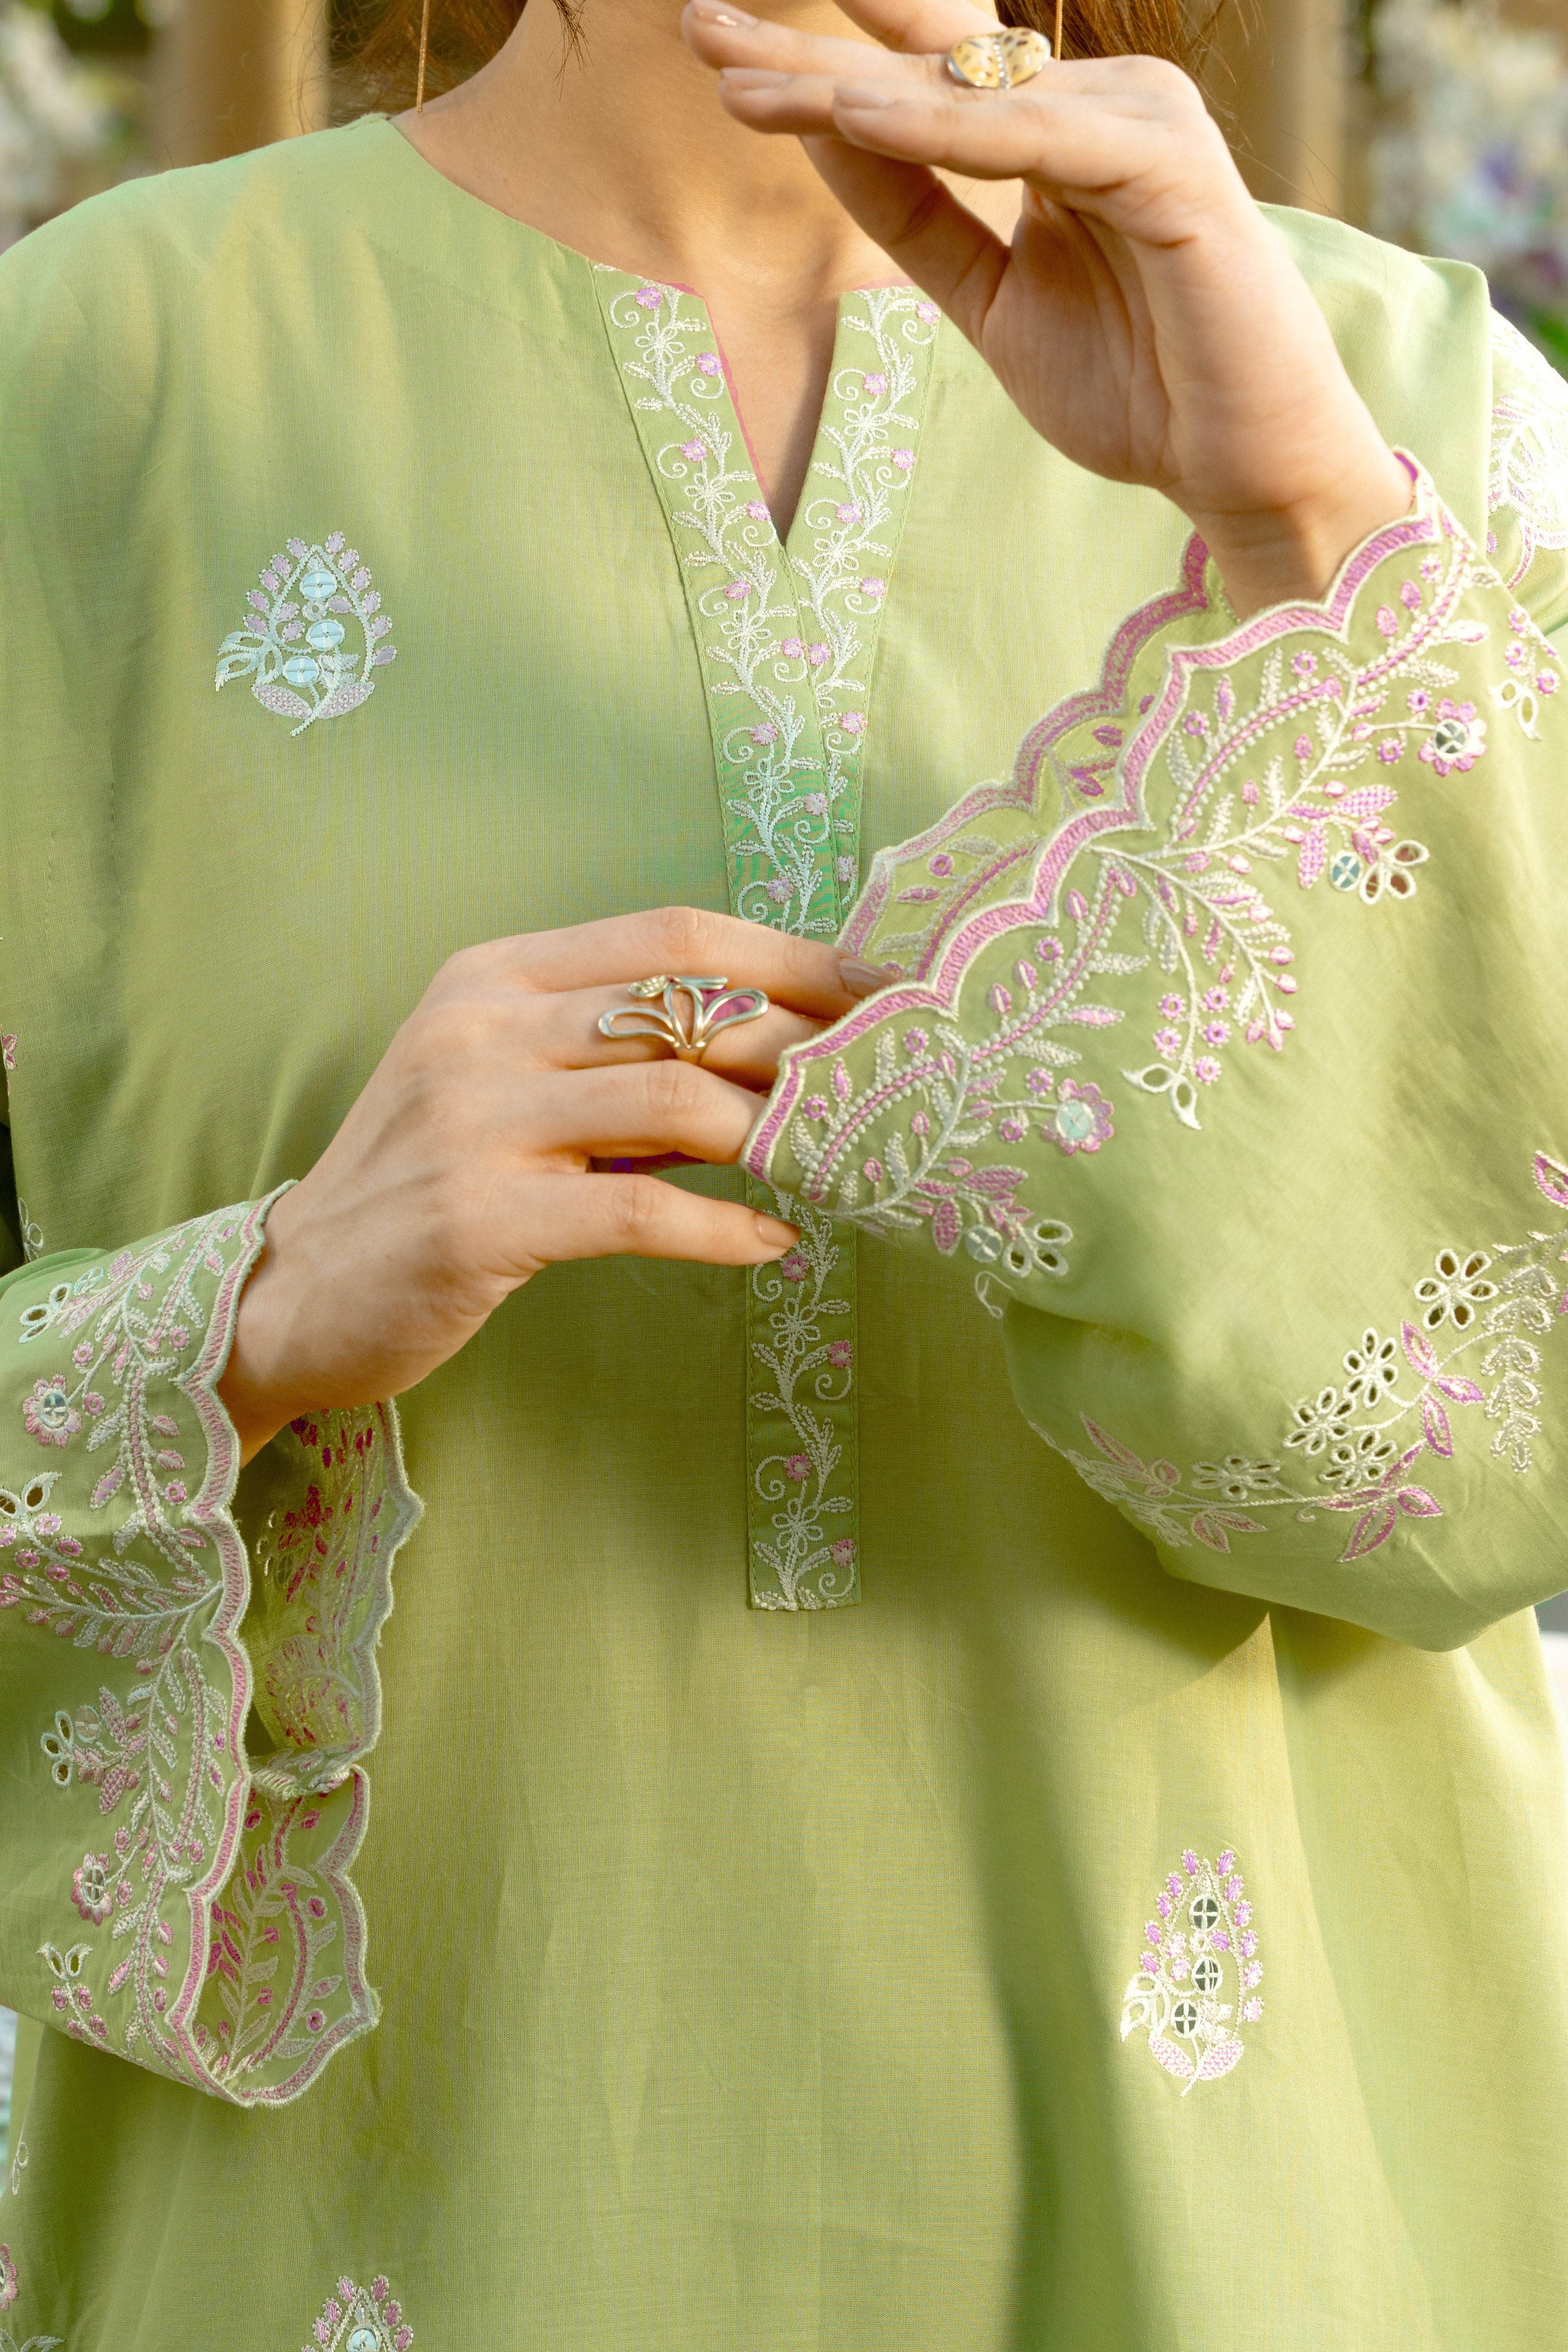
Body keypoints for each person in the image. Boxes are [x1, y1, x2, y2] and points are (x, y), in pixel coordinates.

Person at [2, 0, 1566, 2338]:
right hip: (388, 2225)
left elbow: (1502, 1454)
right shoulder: (76, 388)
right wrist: (234, 1328)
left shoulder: (1433, 414)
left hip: (1237, 2240)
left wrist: (1312, 544)